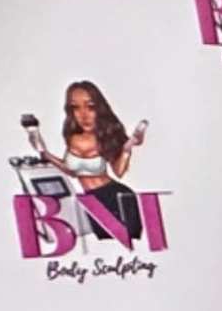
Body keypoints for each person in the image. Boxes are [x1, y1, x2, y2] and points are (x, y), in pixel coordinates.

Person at [29, 80, 144, 232]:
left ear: (99, 108)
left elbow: (119, 172)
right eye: (75, 107)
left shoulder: (105, 136)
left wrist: (128, 148)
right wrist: (45, 153)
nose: (83, 115)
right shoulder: (72, 138)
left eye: (90, 107)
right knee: (102, 240)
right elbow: (72, 172)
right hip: (90, 199)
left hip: (115, 196)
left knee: (127, 241)